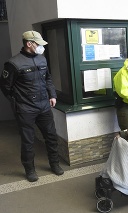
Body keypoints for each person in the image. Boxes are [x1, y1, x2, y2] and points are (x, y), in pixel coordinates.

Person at [0, 30, 64, 182]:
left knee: (51, 136)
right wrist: (17, 102)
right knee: (28, 141)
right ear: (29, 44)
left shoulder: (42, 59)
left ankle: (54, 164)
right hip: (25, 109)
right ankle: (30, 170)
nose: (41, 47)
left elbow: (48, 79)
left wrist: (52, 95)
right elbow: (5, 86)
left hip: (44, 106)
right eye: (38, 44)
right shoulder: (13, 64)